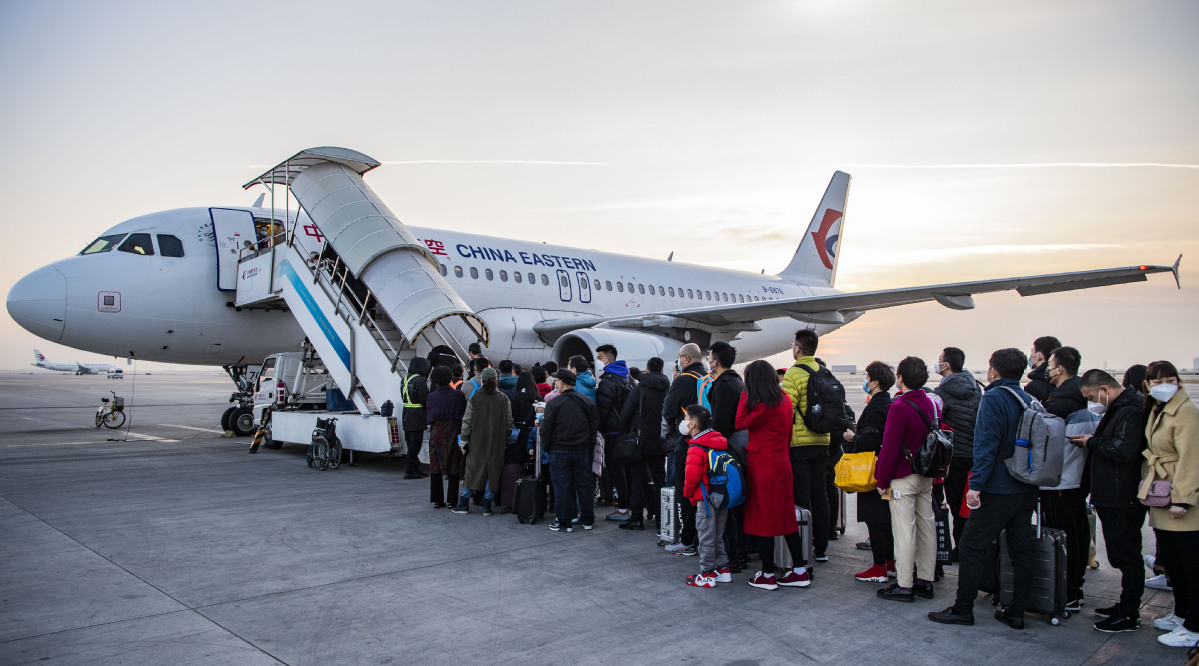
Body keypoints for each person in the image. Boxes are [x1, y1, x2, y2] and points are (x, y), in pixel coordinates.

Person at [929, 348, 1040, 630]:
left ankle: (963, 609)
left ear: (993, 371)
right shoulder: (1028, 399)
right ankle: (1016, 611)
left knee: (971, 546)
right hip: (1025, 486)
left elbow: (986, 444)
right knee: (1021, 550)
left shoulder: (994, 398)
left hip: (997, 488)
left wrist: (976, 485)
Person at [1070, 369, 1148, 632]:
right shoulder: (1119, 408)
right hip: (1113, 494)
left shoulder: (1130, 410)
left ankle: (1129, 613)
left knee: (1127, 555)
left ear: (1104, 389)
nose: (1092, 402)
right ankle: (1125, 605)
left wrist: (1092, 442)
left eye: (1091, 397)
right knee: (1121, 553)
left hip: (1121, 496)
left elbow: (1123, 449)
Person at [736, 360, 811, 590]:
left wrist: (744, 396)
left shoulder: (763, 405)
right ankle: (799, 569)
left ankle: (767, 574)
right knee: (786, 517)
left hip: (763, 466)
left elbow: (739, 422)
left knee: (762, 520)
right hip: (781, 463)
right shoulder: (784, 399)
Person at [1140, 361, 1199, 647]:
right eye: (1157, 381)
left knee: (1191, 565)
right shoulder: (1158, 408)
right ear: (1148, 385)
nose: (1164, 385)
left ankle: (1195, 627)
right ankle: (1183, 614)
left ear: (1178, 381)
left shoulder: (1186, 411)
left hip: (1178, 495)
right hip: (1162, 492)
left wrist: (1182, 500)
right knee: (1174, 563)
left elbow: (1192, 458)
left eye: (1170, 380)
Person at [874, 356, 938, 602]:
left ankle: (904, 584)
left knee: (904, 532)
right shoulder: (930, 403)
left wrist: (882, 481)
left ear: (900, 378)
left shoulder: (899, 407)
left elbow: (890, 448)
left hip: (903, 476)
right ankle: (925, 580)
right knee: (926, 529)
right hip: (925, 475)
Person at [1038, 346, 1090, 611]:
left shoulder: (1060, 403)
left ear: (1059, 368)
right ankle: (1074, 588)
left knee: (1063, 537)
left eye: (1049, 365)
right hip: (1076, 480)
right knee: (1077, 532)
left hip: (1059, 481)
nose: (1046, 370)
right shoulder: (1081, 396)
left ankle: (1067, 591)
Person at [780, 329, 832, 562]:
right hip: (823, 440)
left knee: (801, 496)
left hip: (800, 443)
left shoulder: (794, 373)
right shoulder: (824, 372)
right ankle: (821, 548)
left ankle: (802, 546)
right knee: (820, 494)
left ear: (797, 349)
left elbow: (787, 409)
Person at [844, 361, 897, 583]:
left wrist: (853, 437)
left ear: (875, 382)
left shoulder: (876, 405)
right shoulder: (889, 403)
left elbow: (872, 437)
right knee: (887, 518)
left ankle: (879, 567)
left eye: (867, 377)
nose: (865, 381)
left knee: (875, 520)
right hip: (887, 471)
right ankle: (890, 563)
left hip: (872, 472)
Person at [933, 346, 981, 559]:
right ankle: (970, 545)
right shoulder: (976, 388)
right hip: (974, 454)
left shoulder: (942, 393)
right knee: (970, 504)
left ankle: (960, 548)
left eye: (940, 359)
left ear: (946, 365)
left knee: (954, 503)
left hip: (954, 455)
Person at [541, 369, 600, 532]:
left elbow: (546, 429)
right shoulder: (586, 401)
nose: (555, 384)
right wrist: (588, 447)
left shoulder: (554, 403)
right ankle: (588, 520)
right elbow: (594, 427)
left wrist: (547, 447)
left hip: (559, 450)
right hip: (581, 450)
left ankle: (564, 521)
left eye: (556, 381)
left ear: (561, 383)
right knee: (584, 485)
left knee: (562, 486)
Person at [708, 341, 750, 568]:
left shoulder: (724, 385)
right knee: (738, 503)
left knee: (729, 503)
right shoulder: (737, 381)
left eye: (710, 358)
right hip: (741, 448)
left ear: (716, 361)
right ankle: (741, 550)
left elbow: (721, 423)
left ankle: (733, 554)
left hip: (729, 449)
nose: (708, 362)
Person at [662, 343, 707, 555]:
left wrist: (670, 432)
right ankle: (702, 537)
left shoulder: (683, 380)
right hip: (707, 440)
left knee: (685, 491)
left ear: (686, 359)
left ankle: (687, 540)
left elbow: (668, 410)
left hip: (686, 442)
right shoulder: (708, 378)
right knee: (702, 491)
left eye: (680, 357)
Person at [618, 356, 670, 531]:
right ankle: (662, 519)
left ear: (646, 370)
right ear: (662, 370)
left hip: (640, 441)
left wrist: (622, 432)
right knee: (660, 480)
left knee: (637, 480)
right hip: (660, 441)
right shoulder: (668, 387)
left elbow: (627, 412)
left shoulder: (639, 387)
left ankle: (636, 519)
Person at [452, 368, 513, 516]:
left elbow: (467, 422)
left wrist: (464, 441)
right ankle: (487, 505)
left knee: (473, 472)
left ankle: (464, 502)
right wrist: (505, 438)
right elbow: (509, 422)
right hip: (497, 443)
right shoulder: (504, 398)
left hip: (477, 443)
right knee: (493, 473)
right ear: (496, 381)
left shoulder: (475, 398)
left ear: (482, 381)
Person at [682, 405, 731, 587]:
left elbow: (691, 477)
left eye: (686, 419)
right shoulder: (718, 441)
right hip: (721, 495)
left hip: (704, 497)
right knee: (717, 534)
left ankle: (707, 574)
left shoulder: (696, 446)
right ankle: (722, 568)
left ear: (693, 424)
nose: (684, 422)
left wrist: (687, 494)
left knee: (705, 535)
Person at [595, 344, 633, 520]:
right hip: (627, 431)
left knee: (615, 469)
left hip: (612, 432)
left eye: (600, 358)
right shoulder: (628, 377)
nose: (598, 362)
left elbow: (603, 410)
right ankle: (628, 506)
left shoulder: (608, 381)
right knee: (626, 470)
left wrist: (601, 429)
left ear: (609, 360)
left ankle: (623, 508)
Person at [426, 365, 467, 508]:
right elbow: (463, 413)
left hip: (436, 432)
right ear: (450, 378)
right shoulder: (458, 395)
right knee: (454, 464)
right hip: (453, 431)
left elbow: (429, 415)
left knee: (435, 465)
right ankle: (452, 500)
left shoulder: (431, 397)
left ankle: (437, 499)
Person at [400, 357, 431, 480]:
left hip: (406, 415)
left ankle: (415, 469)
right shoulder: (420, 381)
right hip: (417, 416)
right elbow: (425, 400)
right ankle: (409, 471)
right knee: (415, 445)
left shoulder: (405, 379)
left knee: (410, 444)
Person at [1024, 335, 1061, 403]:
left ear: (1038, 356)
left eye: (1032, 352)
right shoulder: (1061, 380)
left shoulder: (1034, 386)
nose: (1030, 356)